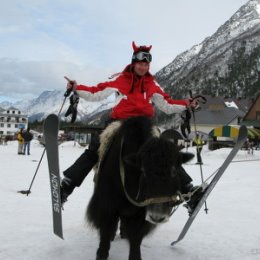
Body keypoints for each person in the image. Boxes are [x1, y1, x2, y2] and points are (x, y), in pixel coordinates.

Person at [60, 41, 204, 213]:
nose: (143, 67)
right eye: (141, 64)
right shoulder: (120, 78)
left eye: (146, 64)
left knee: (163, 153)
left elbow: (166, 104)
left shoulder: (152, 83)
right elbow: (96, 92)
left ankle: (189, 190)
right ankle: (66, 186)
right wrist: (77, 88)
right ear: (134, 63)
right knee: (96, 149)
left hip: (144, 125)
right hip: (119, 123)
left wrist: (186, 104)